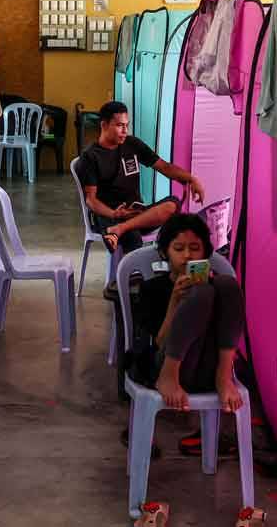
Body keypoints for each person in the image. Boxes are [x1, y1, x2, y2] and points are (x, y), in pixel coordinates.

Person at [133, 213, 245, 413]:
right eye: (178, 248)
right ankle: (169, 377)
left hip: (208, 368)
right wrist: (175, 302)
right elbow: (158, 341)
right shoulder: (152, 288)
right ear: (166, 252)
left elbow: (226, 332)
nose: (187, 255)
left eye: (195, 248)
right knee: (201, 293)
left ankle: (224, 376)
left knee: (226, 284)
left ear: (204, 253)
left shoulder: (216, 288)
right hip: (168, 367)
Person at [77, 101, 205, 253]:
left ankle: (120, 229)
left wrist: (191, 179)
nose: (125, 130)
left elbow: (164, 167)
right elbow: (91, 200)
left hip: (137, 214)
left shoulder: (132, 144)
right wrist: (114, 213)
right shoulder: (90, 156)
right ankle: (132, 273)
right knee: (133, 237)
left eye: (127, 125)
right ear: (104, 125)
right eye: (119, 125)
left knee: (173, 204)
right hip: (109, 215)